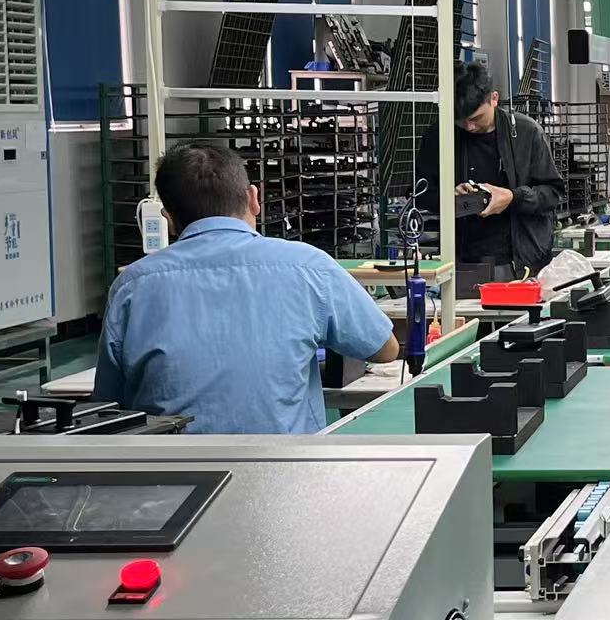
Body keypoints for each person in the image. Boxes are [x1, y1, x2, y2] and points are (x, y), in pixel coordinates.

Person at [95, 142, 397, 434]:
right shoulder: (308, 267)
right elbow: (385, 349)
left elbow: (109, 402)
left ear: (169, 219)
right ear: (254, 198)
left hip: (174, 477)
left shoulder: (132, 286)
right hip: (286, 470)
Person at [425, 62, 563, 283]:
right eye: (461, 120)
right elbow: (420, 193)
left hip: (519, 265)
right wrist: (450, 196)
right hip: (461, 263)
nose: (469, 127)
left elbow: (552, 194)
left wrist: (513, 197)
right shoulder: (438, 136)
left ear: (494, 99)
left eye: (476, 118)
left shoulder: (527, 133)